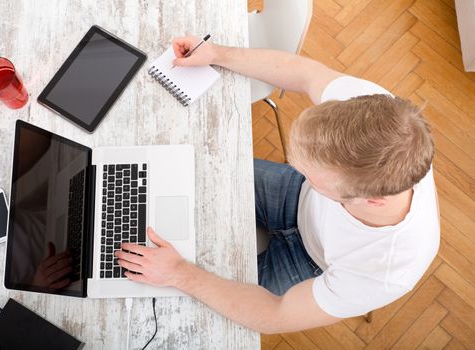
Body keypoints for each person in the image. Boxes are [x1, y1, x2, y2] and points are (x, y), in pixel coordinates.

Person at [115, 36, 440, 334]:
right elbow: (305, 72)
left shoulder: (383, 271)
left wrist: (180, 274)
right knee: (179, 172)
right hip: (295, 195)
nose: (297, 167)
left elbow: (276, 315)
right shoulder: (376, 115)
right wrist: (217, 54)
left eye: (313, 173)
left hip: (310, 262)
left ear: (373, 201)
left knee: (180, 305)